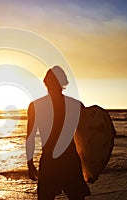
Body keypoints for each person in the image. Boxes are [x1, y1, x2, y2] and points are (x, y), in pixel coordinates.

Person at [26, 66, 90, 200]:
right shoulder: (76, 105)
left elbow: (30, 137)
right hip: (68, 160)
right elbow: (89, 138)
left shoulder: (36, 106)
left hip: (52, 160)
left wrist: (30, 164)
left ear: (45, 82)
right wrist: (91, 167)